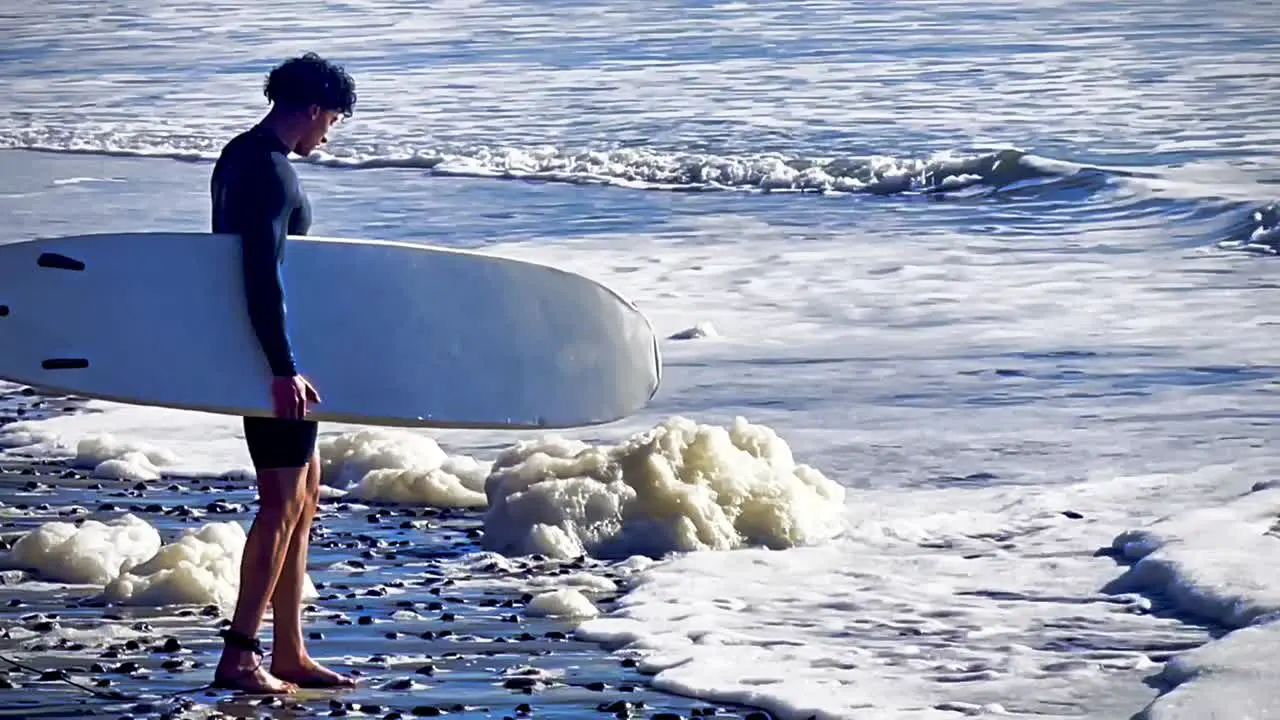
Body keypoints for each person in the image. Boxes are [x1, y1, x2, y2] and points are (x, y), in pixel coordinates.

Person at [208, 52, 357, 694]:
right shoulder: (268, 172)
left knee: (305, 498)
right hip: (267, 358)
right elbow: (259, 272)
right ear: (316, 109)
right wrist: (282, 367)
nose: (330, 133)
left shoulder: (241, 154)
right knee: (281, 504)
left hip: (268, 352)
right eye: (335, 120)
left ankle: (290, 649)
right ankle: (240, 656)